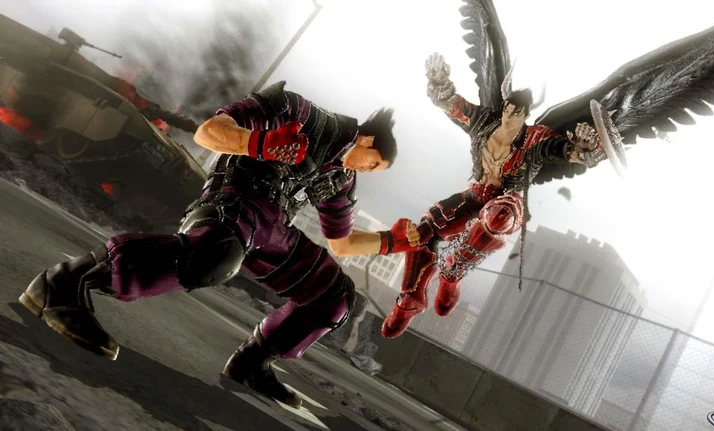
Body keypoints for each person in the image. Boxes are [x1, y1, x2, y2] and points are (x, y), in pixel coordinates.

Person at [19, 81, 418, 408]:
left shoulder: (341, 178)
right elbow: (208, 132)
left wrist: (390, 242)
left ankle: (251, 364)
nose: (368, 171)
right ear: (367, 139)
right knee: (214, 257)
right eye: (374, 163)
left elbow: (342, 243)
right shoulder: (300, 113)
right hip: (236, 198)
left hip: (275, 225)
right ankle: (63, 284)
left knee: (334, 296)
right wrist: (260, 143)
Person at [379, 54, 604, 339]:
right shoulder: (484, 120)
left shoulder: (537, 138)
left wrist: (586, 145)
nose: (510, 114)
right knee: (427, 227)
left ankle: (452, 273)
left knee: (500, 216)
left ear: (526, 115)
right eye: (508, 108)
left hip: (508, 201)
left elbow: (567, 153)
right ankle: (410, 298)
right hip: (478, 192)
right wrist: (439, 80)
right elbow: (452, 105)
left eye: (517, 112)